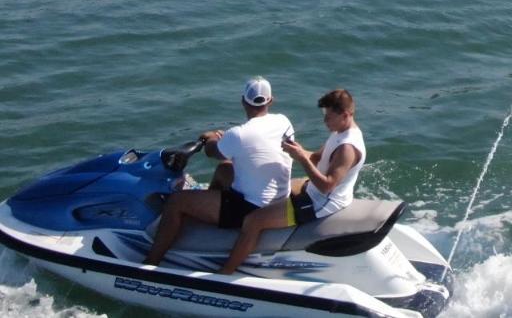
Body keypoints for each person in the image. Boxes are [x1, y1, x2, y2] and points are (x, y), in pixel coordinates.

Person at [145, 78, 294, 267]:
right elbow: (252, 148)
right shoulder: (283, 121)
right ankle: (207, 210)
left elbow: (211, 151)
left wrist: (211, 138)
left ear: (243, 101)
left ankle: (151, 262)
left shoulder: (239, 134)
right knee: (225, 168)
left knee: (176, 202)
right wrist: (227, 140)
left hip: (251, 208)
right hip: (280, 198)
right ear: (270, 101)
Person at [219, 89, 365, 274]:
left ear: (345, 115)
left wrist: (301, 158)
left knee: (253, 221)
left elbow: (327, 186)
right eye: (324, 114)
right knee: (283, 187)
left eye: (329, 116)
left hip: (322, 202)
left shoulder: (347, 148)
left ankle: (225, 272)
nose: (325, 120)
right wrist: (300, 151)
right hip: (317, 190)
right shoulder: (340, 133)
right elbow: (318, 158)